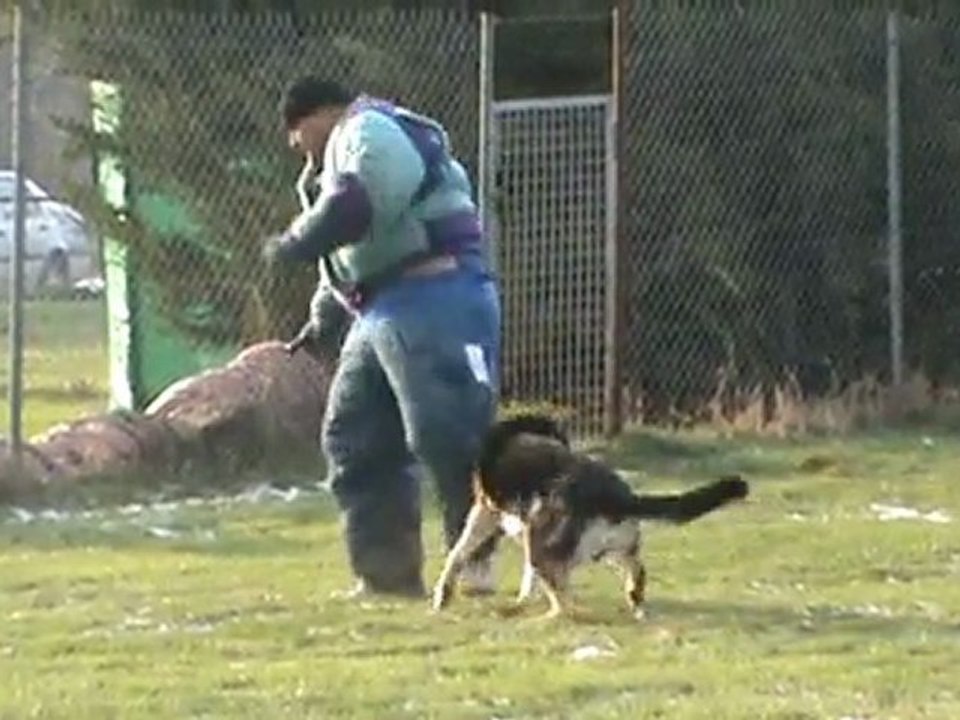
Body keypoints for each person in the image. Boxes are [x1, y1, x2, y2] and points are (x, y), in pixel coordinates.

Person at [265, 77, 502, 599]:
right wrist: (323, 318)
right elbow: (351, 262)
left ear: (318, 115)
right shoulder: (336, 159)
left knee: (446, 433)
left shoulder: (371, 129)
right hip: (379, 309)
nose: (294, 146)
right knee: (355, 438)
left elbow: (359, 208)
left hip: (438, 292)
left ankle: (477, 562)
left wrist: (294, 242)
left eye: (295, 131)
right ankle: (386, 576)